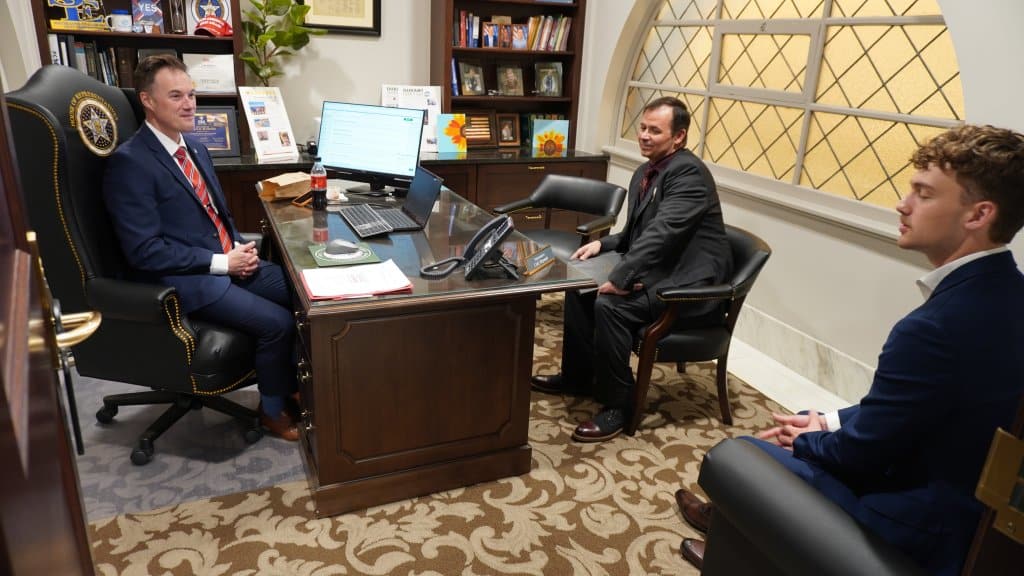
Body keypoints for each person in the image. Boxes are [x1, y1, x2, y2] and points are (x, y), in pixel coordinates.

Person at [674, 124, 1024, 576]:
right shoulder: (1008, 293)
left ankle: (734, 534)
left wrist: (809, 439)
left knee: (747, 452)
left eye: (923, 193)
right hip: (966, 508)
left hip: (920, 524)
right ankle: (731, 524)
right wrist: (830, 422)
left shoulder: (933, 328)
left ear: (978, 214)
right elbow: (915, 411)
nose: (903, 204)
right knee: (810, 426)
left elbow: (863, 456)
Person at [102, 55, 301, 441]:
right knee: (278, 324)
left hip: (229, 262)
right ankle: (271, 410)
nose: (189, 104)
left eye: (191, 94)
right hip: (188, 280)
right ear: (147, 100)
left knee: (303, 293)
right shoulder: (130, 164)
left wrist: (239, 247)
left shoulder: (194, 147)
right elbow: (144, 251)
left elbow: (214, 214)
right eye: (175, 96)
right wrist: (220, 263)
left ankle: (292, 385)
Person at [531, 96, 732, 442]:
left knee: (610, 306)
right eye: (642, 127)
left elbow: (663, 234)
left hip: (689, 285)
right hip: (664, 269)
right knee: (579, 289)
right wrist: (603, 245)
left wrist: (621, 277)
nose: (645, 136)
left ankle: (618, 406)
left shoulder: (688, 174)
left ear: (679, 137)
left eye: (655, 130)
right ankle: (578, 377)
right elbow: (636, 233)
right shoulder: (647, 170)